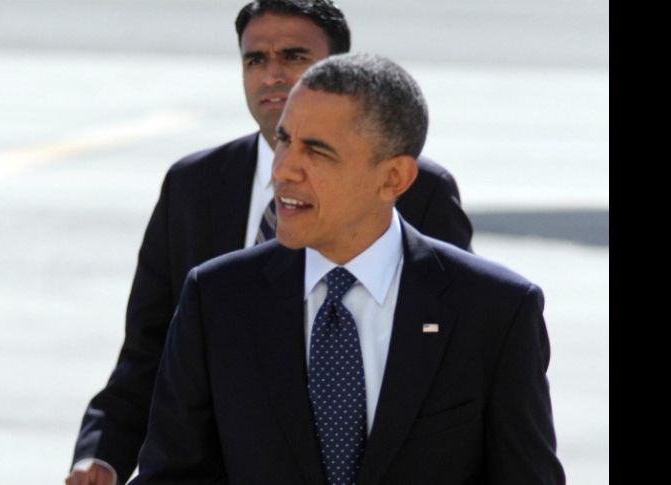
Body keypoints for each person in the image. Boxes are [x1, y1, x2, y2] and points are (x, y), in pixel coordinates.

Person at [67, 1, 473, 484]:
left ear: (338, 69)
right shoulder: (194, 186)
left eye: (294, 57)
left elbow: (455, 351)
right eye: (255, 59)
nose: (272, 75)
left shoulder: (418, 189)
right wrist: (103, 454)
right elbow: (149, 351)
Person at [128, 53, 565, 484]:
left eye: (317, 151)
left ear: (393, 178)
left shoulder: (495, 312)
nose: (283, 169)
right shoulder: (217, 298)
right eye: (284, 140)